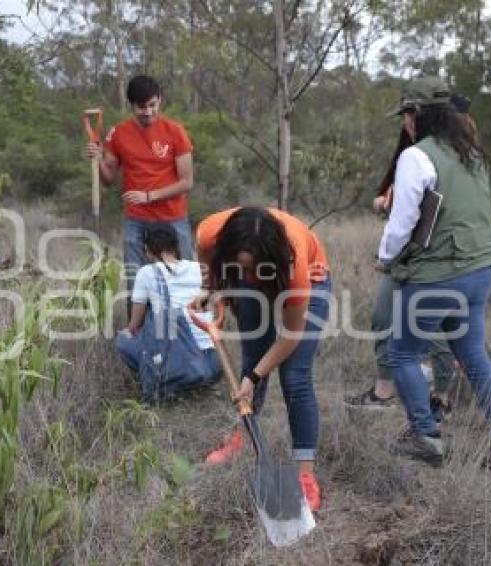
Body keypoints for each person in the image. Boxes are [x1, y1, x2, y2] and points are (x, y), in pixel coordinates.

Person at [378, 77, 491, 477]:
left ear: (419, 115)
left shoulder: (416, 156)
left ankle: (426, 437)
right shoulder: (472, 155)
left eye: (407, 114)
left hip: (436, 276)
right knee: (473, 354)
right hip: (480, 271)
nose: (405, 123)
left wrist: (385, 256)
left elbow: (404, 218)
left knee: (402, 353)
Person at [344, 92, 476, 420]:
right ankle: (384, 388)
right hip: (405, 250)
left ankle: (441, 396)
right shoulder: (411, 150)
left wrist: (388, 250)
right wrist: (386, 206)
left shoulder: (454, 153)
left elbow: (437, 207)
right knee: (382, 315)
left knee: (433, 326)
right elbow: (401, 199)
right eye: (404, 115)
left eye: (410, 114)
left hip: (435, 254)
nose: (405, 121)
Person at [192, 206, 331, 511]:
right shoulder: (209, 233)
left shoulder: (293, 268)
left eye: (254, 268)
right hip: (257, 260)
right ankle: (243, 437)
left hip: (309, 274)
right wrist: (209, 288)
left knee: (295, 377)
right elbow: (208, 262)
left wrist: (254, 378)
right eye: (241, 267)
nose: (250, 276)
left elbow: (291, 335)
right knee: (254, 351)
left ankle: (305, 474)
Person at [86, 75, 195, 292]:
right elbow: (108, 180)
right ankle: (137, 326)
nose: (148, 112)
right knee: (137, 283)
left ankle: (187, 325)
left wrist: (149, 196)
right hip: (136, 220)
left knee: (184, 281)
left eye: (152, 105)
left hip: (172, 217)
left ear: (160, 100)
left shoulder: (175, 132)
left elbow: (186, 182)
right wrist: (98, 159)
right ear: (131, 105)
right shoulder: (118, 134)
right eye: (141, 107)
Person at [115, 224, 222, 401]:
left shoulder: (146, 273)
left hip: (181, 364)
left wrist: (129, 331)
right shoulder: (199, 268)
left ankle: (164, 381)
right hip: (212, 364)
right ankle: (199, 385)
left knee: (123, 340)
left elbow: (134, 324)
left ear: (148, 250)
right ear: (175, 245)